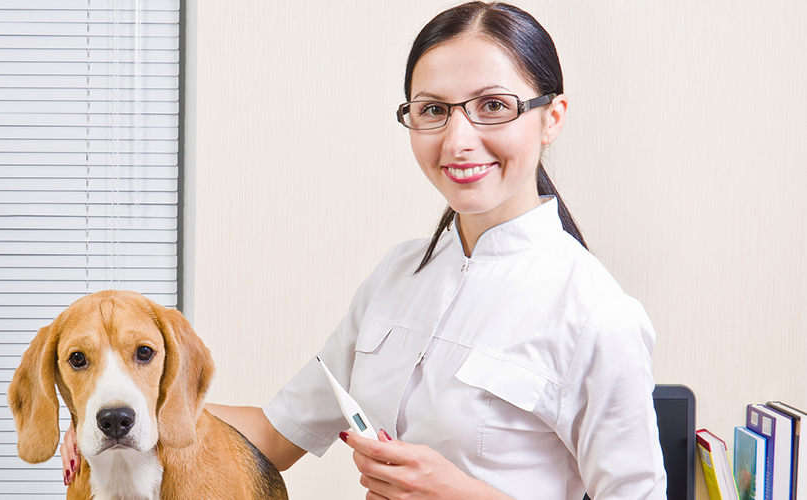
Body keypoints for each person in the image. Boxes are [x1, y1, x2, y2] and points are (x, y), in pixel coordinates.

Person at [63, 2, 667, 499]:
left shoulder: (596, 314)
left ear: (551, 116)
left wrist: (460, 493)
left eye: (492, 106)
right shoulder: (399, 275)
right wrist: (118, 415)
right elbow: (275, 436)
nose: (459, 140)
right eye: (433, 110)